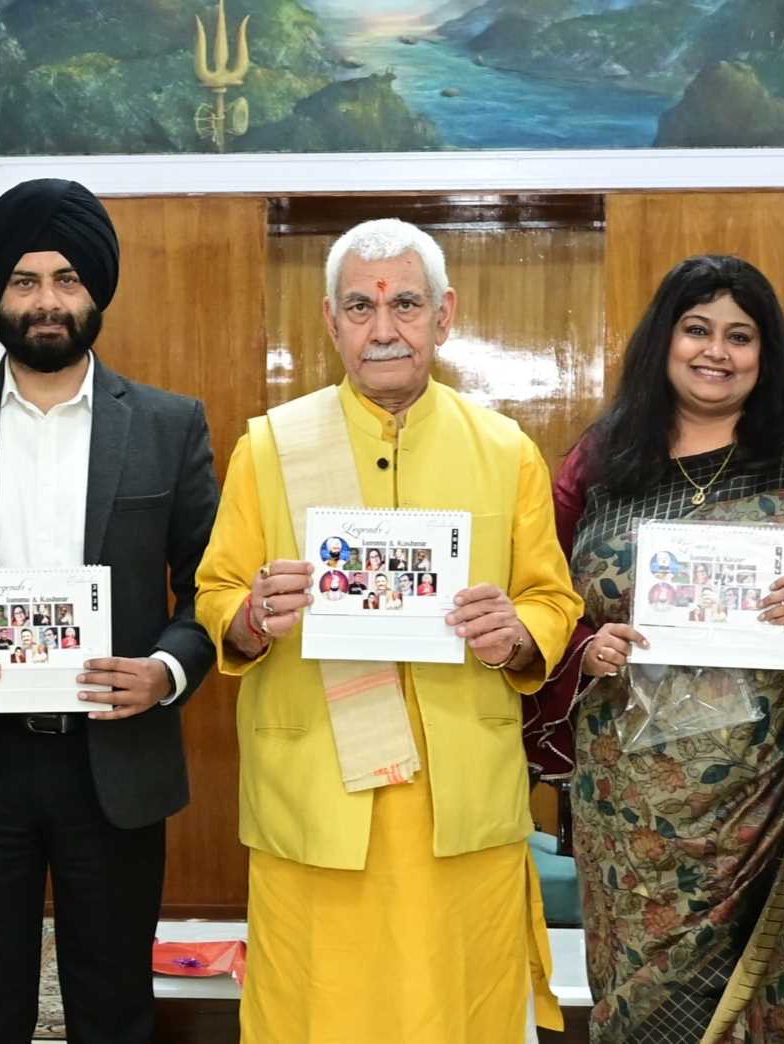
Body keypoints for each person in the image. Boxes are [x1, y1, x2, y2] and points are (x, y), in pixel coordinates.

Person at [196, 217, 581, 1040]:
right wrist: (253, 616)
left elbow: (552, 600)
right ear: (330, 321)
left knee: (459, 1015)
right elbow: (217, 593)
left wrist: (516, 631)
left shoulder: (504, 450)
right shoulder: (271, 448)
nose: (383, 329)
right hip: (317, 797)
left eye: (404, 304)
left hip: (460, 804)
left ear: (443, 315)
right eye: (360, 307)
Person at [0, 178, 222, 1044]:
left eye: (67, 279)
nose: (46, 301)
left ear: (96, 290)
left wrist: (166, 673)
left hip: (113, 755)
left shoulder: (168, 424)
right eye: (24, 280)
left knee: (114, 1004)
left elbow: (210, 587)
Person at [553, 256, 784, 1039]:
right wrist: (586, 644)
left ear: (764, 353)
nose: (716, 351)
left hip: (762, 804)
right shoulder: (604, 463)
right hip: (624, 805)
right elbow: (543, 596)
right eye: (697, 329)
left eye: (740, 336)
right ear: (665, 340)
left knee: (753, 1003)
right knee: (637, 1010)